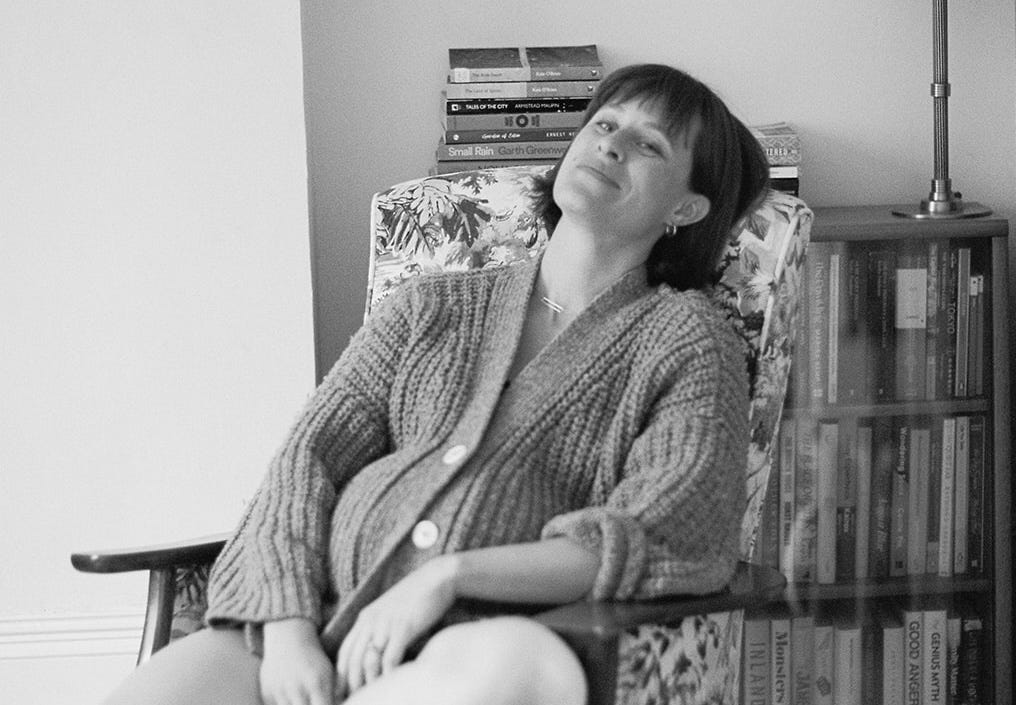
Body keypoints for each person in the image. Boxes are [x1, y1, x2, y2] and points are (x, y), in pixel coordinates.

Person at [101, 62, 770, 705]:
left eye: (649, 144)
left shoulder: (687, 339)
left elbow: (662, 532)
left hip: (481, 646)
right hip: (314, 625)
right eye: (604, 123)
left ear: (687, 206)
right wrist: (286, 632)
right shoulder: (429, 306)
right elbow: (306, 461)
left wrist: (448, 576)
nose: (612, 145)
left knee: (520, 664)